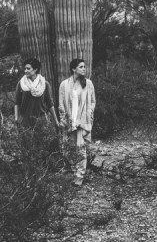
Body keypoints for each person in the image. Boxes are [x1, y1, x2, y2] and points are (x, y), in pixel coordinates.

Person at [58, 58, 96, 186]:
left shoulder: (88, 84)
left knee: (80, 148)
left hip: (81, 121)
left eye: (84, 66)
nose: (84, 69)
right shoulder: (64, 84)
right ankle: (74, 171)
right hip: (69, 121)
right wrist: (64, 119)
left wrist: (89, 114)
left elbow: (92, 101)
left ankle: (80, 176)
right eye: (81, 67)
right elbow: (61, 104)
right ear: (73, 69)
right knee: (68, 149)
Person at [14, 58, 60, 128]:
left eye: (28, 68)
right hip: (25, 122)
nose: (25, 71)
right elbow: (17, 102)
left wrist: (56, 121)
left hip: (41, 121)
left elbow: (50, 103)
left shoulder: (44, 84)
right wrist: (16, 118)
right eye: (25, 68)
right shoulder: (21, 84)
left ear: (35, 69)